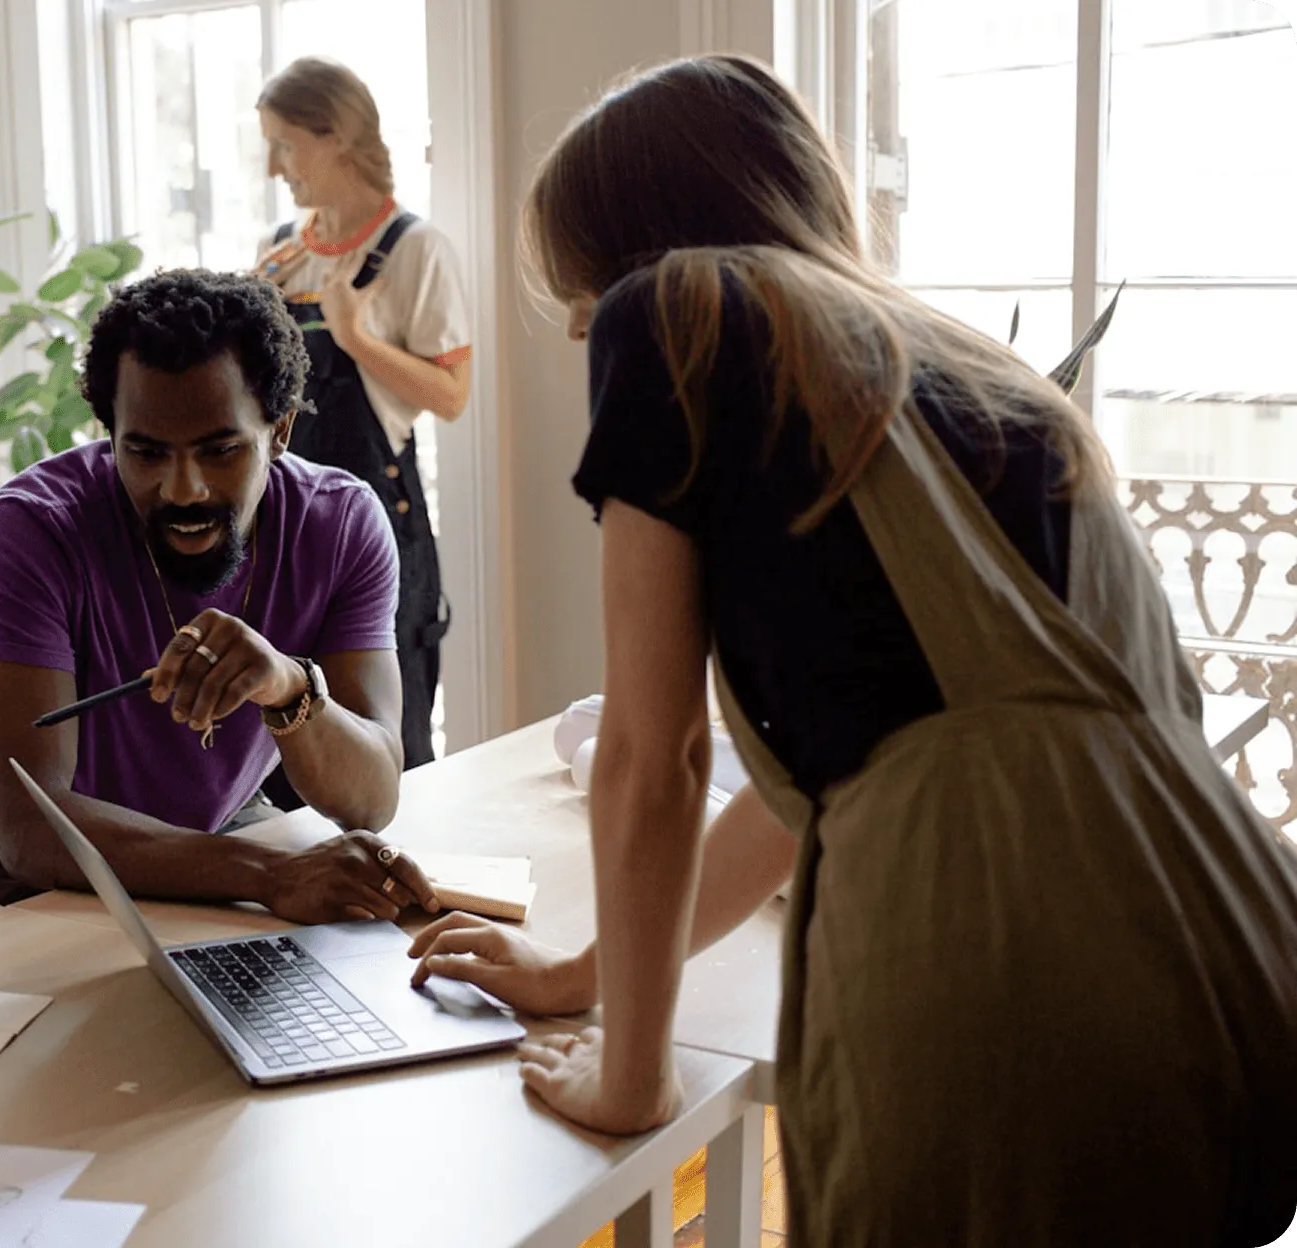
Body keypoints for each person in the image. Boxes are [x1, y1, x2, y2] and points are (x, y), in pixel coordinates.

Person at [410, 55, 1297, 1243]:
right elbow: (832, 787)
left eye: (581, 283)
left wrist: (632, 1075)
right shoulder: (986, 383)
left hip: (1000, 962)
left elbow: (653, 756)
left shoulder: (671, 308)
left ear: (640, 249)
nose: (579, 321)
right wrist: (585, 975)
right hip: (1238, 920)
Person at [0, 269, 442, 942]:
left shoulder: (340, 524)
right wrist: (267, 874)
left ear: (280, 430)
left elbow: (372, 799)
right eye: (145, 452)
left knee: (370, 962)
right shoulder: (30, 529)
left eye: (220, 450)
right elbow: (29, 828)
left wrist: (289, 687)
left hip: (219, 827)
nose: (183, 489)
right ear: (109, 431)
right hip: (5, 858)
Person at [254, 57, 472, 775]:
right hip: (282, 529)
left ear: (338, 137)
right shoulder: (280, 251)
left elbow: (452, 395)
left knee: (388, 741)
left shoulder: (415, 249)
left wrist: (355, 338)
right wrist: (248, 307)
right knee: (287, 745)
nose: (273, 167)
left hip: (380, 526)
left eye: (285, 145)